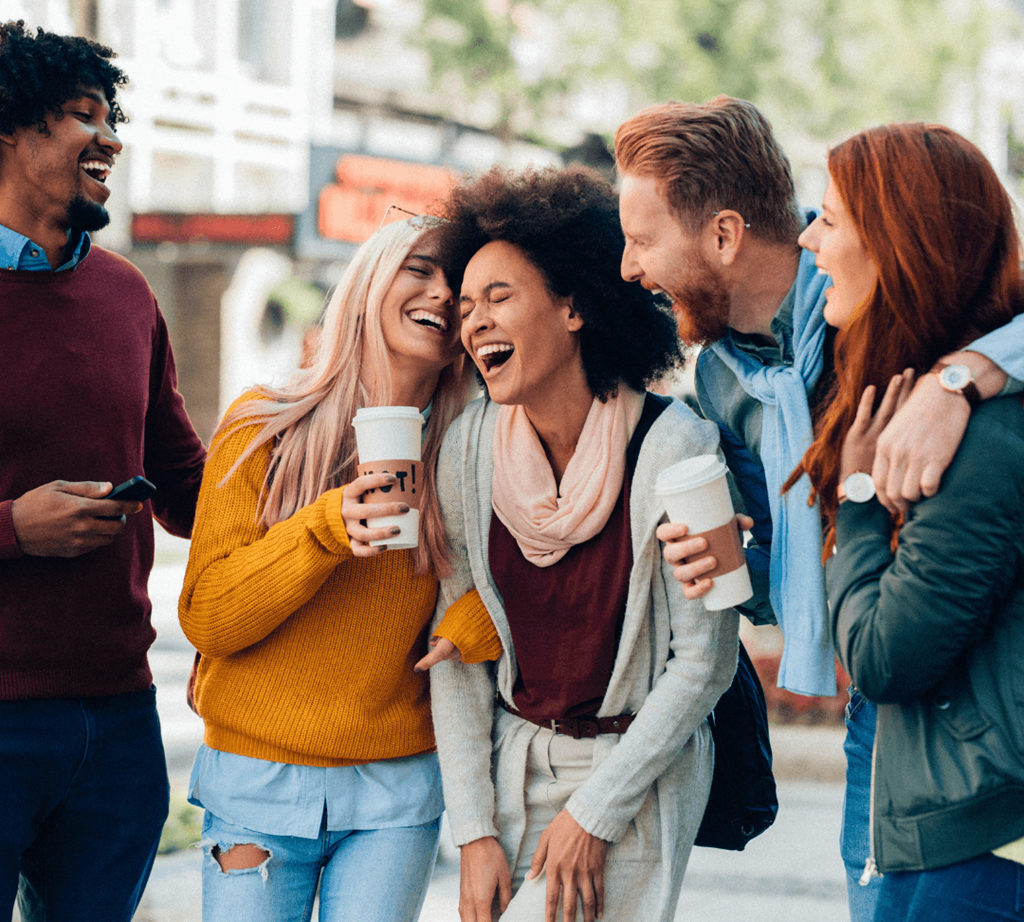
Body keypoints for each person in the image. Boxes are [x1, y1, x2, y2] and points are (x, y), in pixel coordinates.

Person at [614, 96, 1024, 920]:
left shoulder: (875, 312)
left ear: (724, 236)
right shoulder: (724, 378)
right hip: (878, 706)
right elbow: (806, 561)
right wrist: (741, 565)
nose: (630, 267)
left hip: (965, 709)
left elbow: (988, 296)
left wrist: (967, 374)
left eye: (642, 239)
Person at [426, 166, 738, 922]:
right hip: (513, 769)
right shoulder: (467, 452)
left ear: (573, 306)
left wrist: (593, 815)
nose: (476, 323)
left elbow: (706, 661)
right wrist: (472, 833)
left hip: (634, 779)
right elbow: (460, 655)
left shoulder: (675, 447)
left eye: (499, 297)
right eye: (467, 307)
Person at [178, 214, 501, 922]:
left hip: (395, 790)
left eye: (462, 285)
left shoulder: (476, 450)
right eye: (421, 269)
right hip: (254, 785)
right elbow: (208, 615)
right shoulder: (264, 424)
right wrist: (325, 528)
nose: (443, 293)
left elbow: (516, 586)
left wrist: (477, 622)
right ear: (370, 281)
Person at [0, 21, 207, 921]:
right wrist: (13, 526)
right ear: (11, 128)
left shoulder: (126, 293)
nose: (111, 140)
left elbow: (186, 484)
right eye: (84, 116)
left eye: (111, 117)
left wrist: (313, 449)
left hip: (119, 727)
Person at [791, 121, 1024, 921]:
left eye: (827, 219)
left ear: (898, 246)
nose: (808, 239)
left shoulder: (978, 439)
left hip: (982, 839)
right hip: (951, 809)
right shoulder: (938, 400)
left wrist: (857, 502)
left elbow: (888, 657)